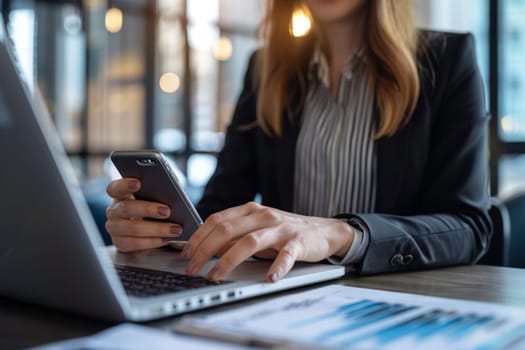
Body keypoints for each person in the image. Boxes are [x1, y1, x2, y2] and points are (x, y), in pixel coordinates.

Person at [106, 0, 491, 283]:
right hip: (284, 295)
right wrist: (161, 233)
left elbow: (468, 226)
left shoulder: (447, 60)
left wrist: (342, 234)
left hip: (400, 298)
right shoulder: (266, 69)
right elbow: (218, 208)